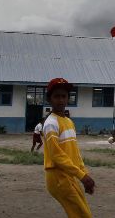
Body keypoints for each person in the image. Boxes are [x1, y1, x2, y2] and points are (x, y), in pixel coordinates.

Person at [42, 77, 95, 218]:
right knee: (83, 215)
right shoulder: (51, 123)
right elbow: (57, 155)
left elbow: (74, 153)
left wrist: (83, 173)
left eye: (63, 96)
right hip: (57, 176)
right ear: (49, 99)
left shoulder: (69, 122)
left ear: (68, 99)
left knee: (81, 213)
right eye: (56, 96)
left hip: (69, 175)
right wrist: (81, 176)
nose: (60, 100)